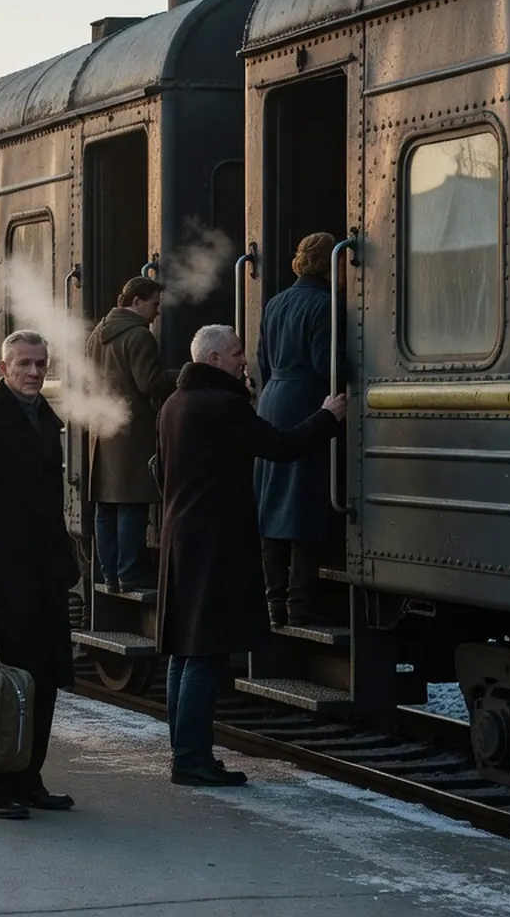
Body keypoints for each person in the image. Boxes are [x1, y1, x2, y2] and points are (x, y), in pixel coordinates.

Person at [156, 324, 345, 786]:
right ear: (215, 359)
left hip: (181, 537)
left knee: (184, 652)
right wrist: (327, 417)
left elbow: (159, 471)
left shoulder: (173, 405)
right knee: (204, 654)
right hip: (215, 543)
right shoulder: (223, 405)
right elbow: (280, 447)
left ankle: (186, 752)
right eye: (238, 353)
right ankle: (192, 760)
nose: (245, 360)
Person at [0, 331, 79, 819]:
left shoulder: (46, 421)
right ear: (3, 369)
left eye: (41, 364)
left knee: (40, 682)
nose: (33, 372)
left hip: (42, 575)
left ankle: (28, 776)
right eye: (23, 364)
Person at [255, 232, 337, 628]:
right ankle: (301, 605)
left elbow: (263, 360)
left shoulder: (274, 303)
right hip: (307, 402)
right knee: (305, 505)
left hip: (272, 400)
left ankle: (274, 604)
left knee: (272, 506)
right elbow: (326, 365)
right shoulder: (324, 305)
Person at [86, 276, 173, 592]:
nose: (157, 312)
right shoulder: (139, 335)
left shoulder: (98, 333)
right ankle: (131, 573)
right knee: (133, 504)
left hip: (103, 430)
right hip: (133, 431)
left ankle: (109, 575)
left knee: (106, 508)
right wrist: (187, 375)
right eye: (154, 304)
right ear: (136, 301)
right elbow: (150, 383)